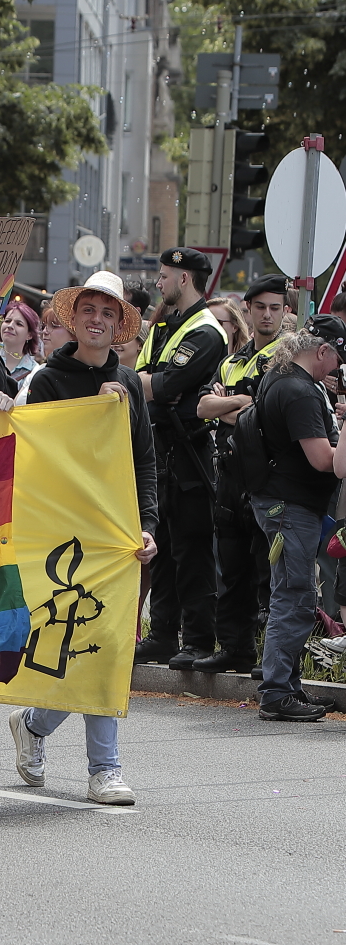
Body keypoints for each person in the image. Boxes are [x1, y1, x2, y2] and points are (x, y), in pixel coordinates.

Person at [10, 270, 157, 805]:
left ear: (120, 324)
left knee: (112, 646)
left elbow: (145, 463)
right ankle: (35, 723)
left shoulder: (132, 385)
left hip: (115, 537)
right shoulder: (49, 381)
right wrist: (94, 411)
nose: (98, 320)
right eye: (89, 310)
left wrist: (147, 525)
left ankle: (104, 767)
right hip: (63, 536)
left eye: (109, 312)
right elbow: (40, 456)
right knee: (68, 641)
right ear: (74, 318)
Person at [133, 248, 228, 668]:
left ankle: (199, 640)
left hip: (190, 451)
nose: (158, 281)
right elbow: (139, 379)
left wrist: (152, 385)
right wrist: (152, 385)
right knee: (164, 547)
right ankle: (162, 634)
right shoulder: (165, 325)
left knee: (192, 551)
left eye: (164, 274)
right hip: (160, 449)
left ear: (184, 279)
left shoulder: (206, 331)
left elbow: (167, 382)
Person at [248, 316, 346, 722]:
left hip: (281, 503)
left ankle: (284, 686)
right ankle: (276, 692)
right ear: (322, 351)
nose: (337, 368)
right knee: (294, 597)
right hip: (291, 507)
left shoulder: (281, 377)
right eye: (337, 359)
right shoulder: (301, 391)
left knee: (290, 594)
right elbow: (326, 460)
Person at [193, 274, 291, 672]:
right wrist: (240, 405)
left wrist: (228, 406)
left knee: (266, 573)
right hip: (228, 473)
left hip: (265, 472)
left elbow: (263, 412)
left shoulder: (286, 358)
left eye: (275, 308)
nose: (267, 315)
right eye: (260, 307)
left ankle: (268, 656)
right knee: (231, 568)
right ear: (247, 310)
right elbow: (201, 408)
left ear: (286, 313)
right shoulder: (232, 360)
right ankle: (235, 647)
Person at [0, 301, 41, 383]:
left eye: (19, 324)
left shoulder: (34, 372)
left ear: (30, 335)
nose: (10, 326)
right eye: (7, 321)